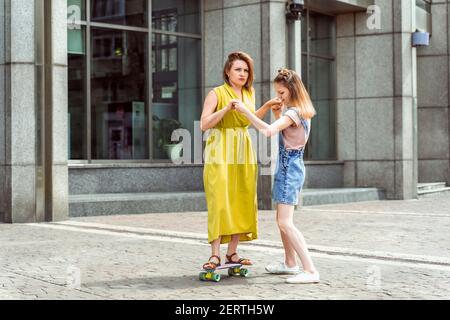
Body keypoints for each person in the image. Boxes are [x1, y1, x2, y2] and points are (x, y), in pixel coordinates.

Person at [233, 68, 320, 284]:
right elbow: (289, 133)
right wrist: (277, 115)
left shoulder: (294, 112)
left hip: (289, 168)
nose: (279, 97)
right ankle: (290, 264)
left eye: (281, 93)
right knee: (282, 221)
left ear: (291, 89)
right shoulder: (299, 111)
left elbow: (268, 131)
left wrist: (245, 111)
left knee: (285, 222)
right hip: (290, 166)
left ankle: (310, 270)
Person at [200, 51, 278, 270]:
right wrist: (225, 109)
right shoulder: (216, 93)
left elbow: (249, 119)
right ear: (227, 71)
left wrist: (267, 106)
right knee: (219, 201)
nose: (243, 73)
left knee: (241, 198)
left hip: (243, 149)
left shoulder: (249, 92)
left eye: (246, 70)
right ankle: (214, 254)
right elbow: (204, 124)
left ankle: (232, 252)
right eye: (238, 69)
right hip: (220, 149)